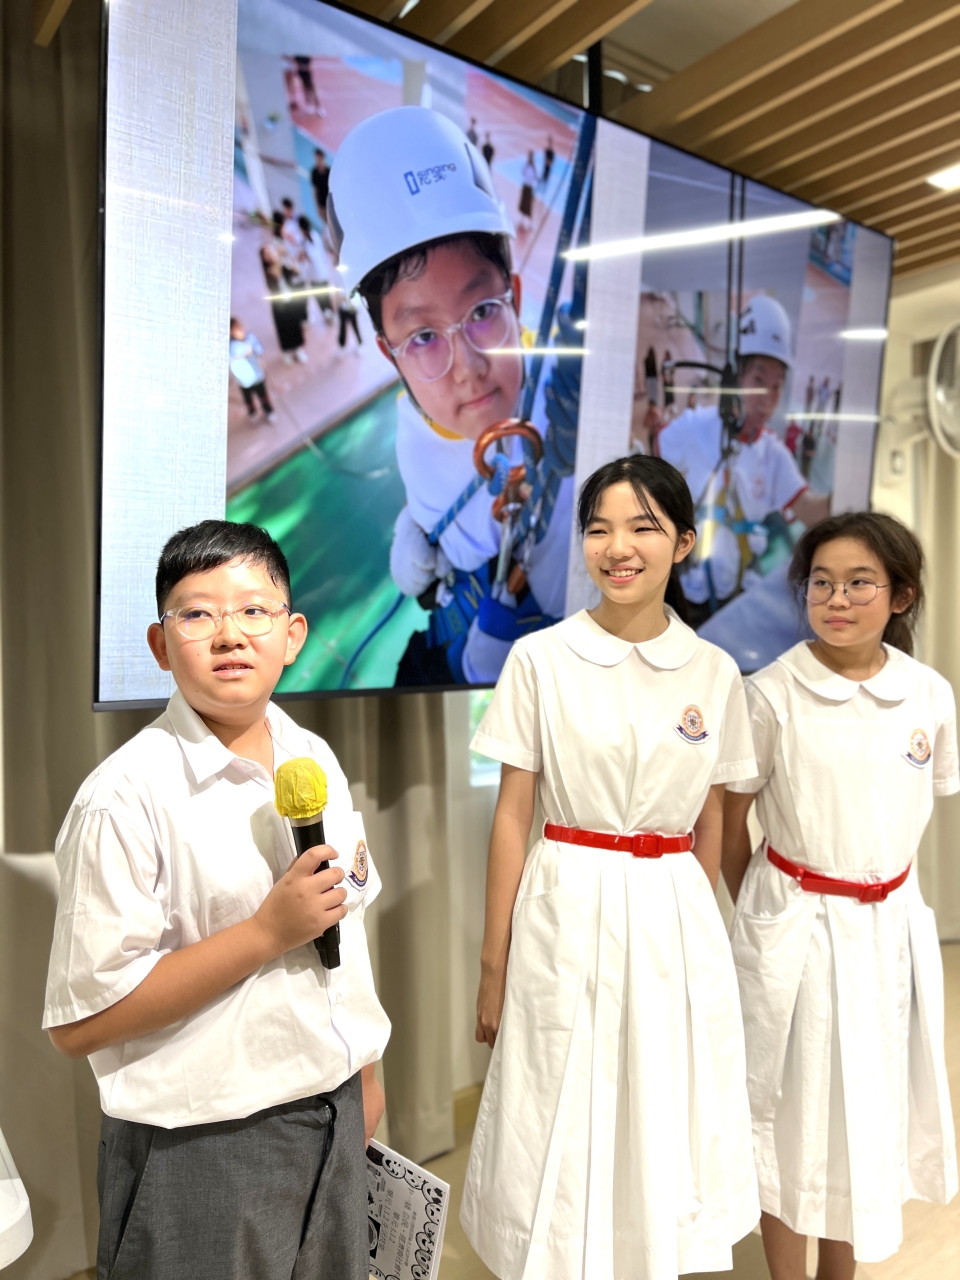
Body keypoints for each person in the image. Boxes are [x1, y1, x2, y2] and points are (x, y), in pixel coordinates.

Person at [43, 520, 390, 1280]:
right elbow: (80, 1022)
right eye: (198, 614)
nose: (229, 634)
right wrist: (265, 933)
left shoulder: (312, 757)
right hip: (201, 1143)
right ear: (161, 645)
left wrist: (365, 1072)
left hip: (334, 1110)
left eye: (254, 611)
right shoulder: (123, 797)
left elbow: (346, 936)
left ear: (292, 636)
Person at [462, 455, 760, 1279]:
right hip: (567, 898)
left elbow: (711, 821)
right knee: (560, 1102)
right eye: (599, 529)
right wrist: (493, 963)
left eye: (642, 528)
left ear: (684, 543)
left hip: (673, 914)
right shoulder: (541, 659)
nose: (617, 548)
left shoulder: (714, 671)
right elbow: (513, 816)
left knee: (659, 1108)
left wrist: (703, 941)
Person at [722, 511, 958, 1279]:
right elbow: (729, 823)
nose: (837, 599)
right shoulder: (771, 693)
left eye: (860, 583)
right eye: (821, 583)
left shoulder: (927, 695)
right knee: (786, 1120)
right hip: (793, 928)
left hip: (887, 930)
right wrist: (768, 911)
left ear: (901, 595)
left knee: (865, 1117)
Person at [328, 106, 575, 687]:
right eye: (423, 337)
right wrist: (416, 526)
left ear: (515, 299)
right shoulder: (414, 427)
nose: (468, 369)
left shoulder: (565, 403)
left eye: (483, 311)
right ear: (390, 354)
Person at [658, 296, 829, 626]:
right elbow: (647, 458)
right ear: (736, 377)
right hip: (682, 600)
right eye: (759, 381)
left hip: (735, 606)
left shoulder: (772, 453)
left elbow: (810, 510)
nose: (768, 399)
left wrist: (851, 491)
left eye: (777, 386)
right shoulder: (693, 427)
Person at [260, 217, 307, 365]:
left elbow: (296, 271)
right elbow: (276, 273)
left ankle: (298, 349)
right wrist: (280, 256)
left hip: (290, 301)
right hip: (279, 306)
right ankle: (286, 352)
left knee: (295, 326)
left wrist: (288, 256)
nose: (270, 254)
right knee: (283, 329)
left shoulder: (282, 262)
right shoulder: (270, 270)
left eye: (270, 251)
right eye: (267, 253)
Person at [229, 318, 276, 422]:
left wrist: (257, 354)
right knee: (248, 399)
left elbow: (260, 349)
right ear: (231, 332)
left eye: (240, 327)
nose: (240, 330)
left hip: (258, 376)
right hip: (243, 381)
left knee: (263, 396)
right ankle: (252, 413)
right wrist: (242, 354)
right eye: (236, 329)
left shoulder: (250, 338)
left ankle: (269, 411)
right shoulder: (230, 347)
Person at [298, 214, 335, 324]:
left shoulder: (305, 242)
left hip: (315, 275)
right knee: (325, 296)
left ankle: (328, 316)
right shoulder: (315, 235)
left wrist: (303, 256)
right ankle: (330, 316)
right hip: (322, 272)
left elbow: (310, 259)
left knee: (321, 298)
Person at [518, 151, 537, 230]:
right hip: (526, 186)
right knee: (524, 204)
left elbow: (535, 177)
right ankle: (522, 220)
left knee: (529, 206)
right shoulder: (527, 166)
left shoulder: (533, 167)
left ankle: (530, 223)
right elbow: (523, 173)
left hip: (529, 188)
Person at [311, 147, 330, 222]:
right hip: (322, 205)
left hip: (330, 203)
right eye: (316, 159)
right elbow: (315, 190)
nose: (318, 161)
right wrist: (318, 207)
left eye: (319, 158)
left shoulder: (329, 171)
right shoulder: (314, 173)